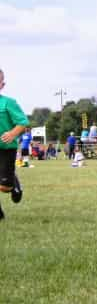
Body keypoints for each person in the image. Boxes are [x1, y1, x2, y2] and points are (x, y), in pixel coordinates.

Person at [0, 69, 28, 220]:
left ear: (2, 84)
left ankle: (14, 182)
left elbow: (23, 123)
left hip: (6, 149)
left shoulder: (8, 103)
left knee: (5, 187)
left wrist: (12, 134)